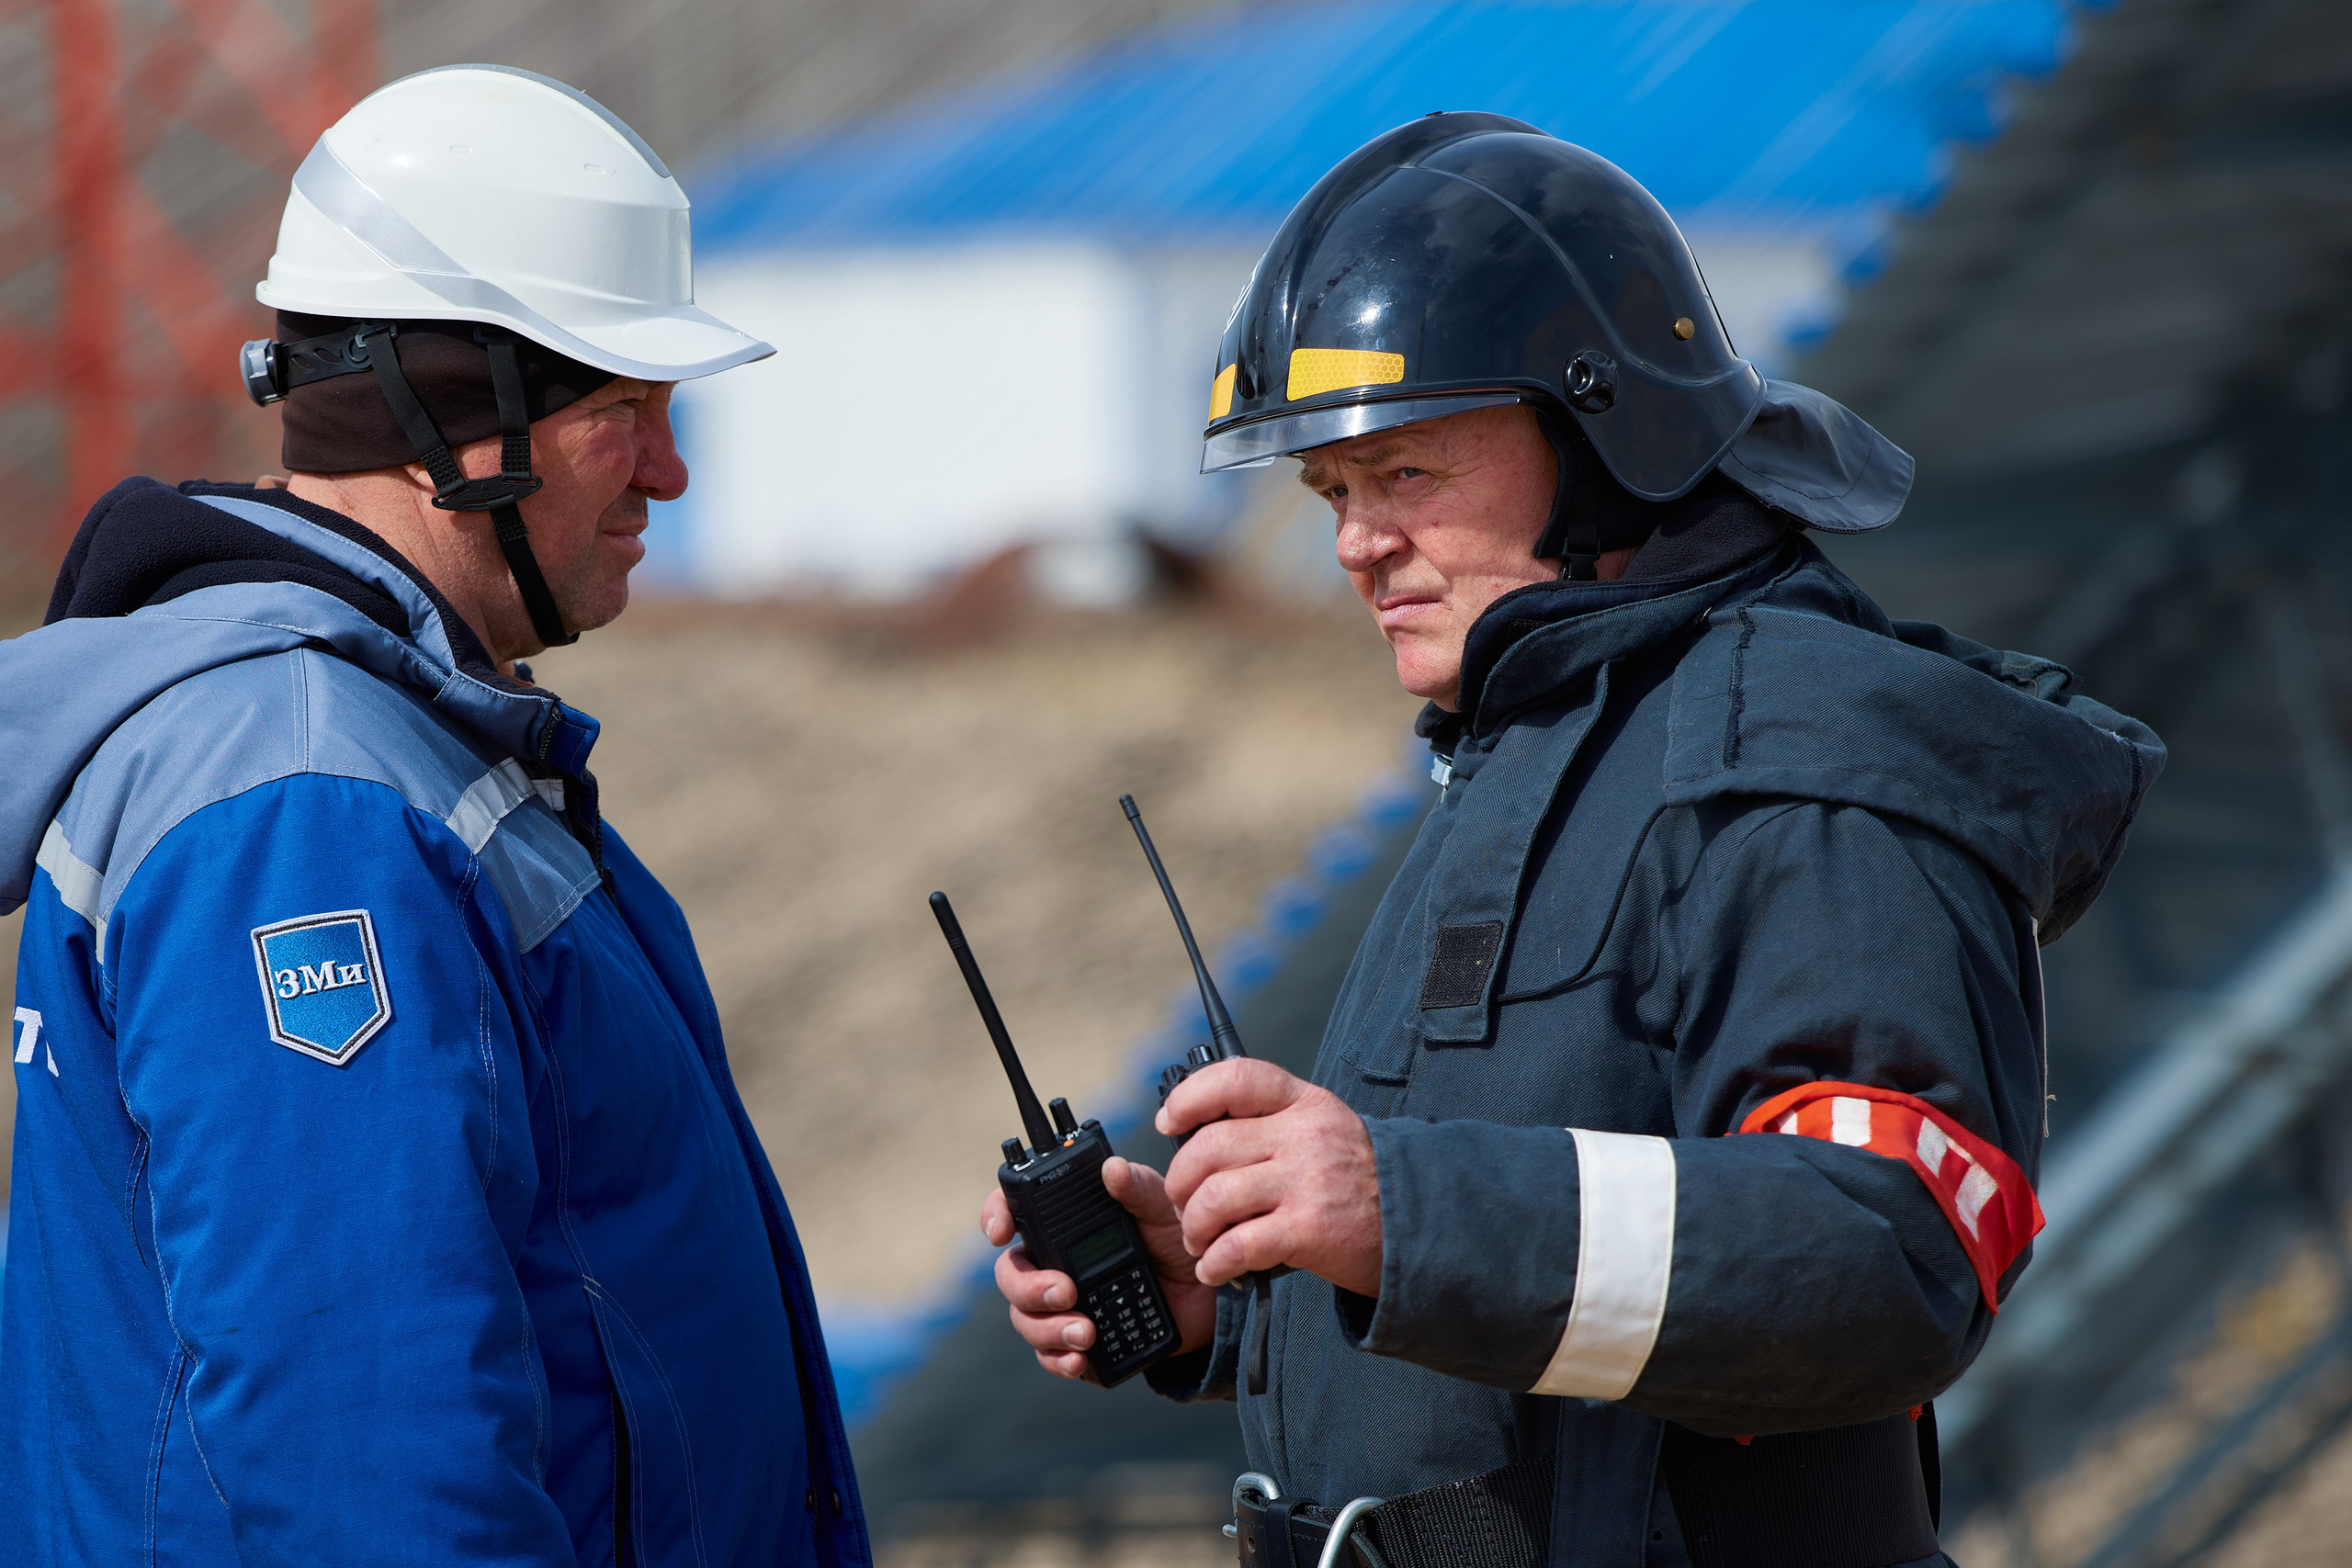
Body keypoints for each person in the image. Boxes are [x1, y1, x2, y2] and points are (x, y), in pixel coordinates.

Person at [985, 114, 2163, 1568]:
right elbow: (1546, 1266)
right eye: (1333, 493)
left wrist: (1402, 1211)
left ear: (1610, 439)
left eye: (1405, 474)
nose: (1354, 543)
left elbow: (1890, 1250)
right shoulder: (1550, 740)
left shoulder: (1800, 757)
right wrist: (1246, 1295)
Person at [0, 67, 866, 1567]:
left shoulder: (392, 748)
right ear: (449, 417)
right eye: (624, 412)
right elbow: (363, 1448)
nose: (668, 473)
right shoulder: (302, 806)